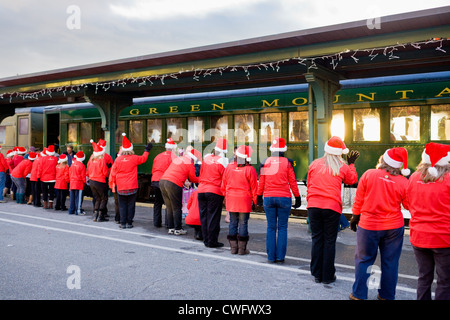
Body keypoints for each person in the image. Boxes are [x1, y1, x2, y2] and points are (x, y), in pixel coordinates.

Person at [349, 147, 410, 300]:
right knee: (390, 263)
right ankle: (386, 295)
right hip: (393, 227)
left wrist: (355, 216)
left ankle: (358, 294)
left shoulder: (369, 174)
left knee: (364, 260)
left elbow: (359, 200)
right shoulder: (403, 182)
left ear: (383, 160)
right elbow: (409, 205)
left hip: (368, 225)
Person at [306, 136, 359, 284]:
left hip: (314, 206)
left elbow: (310, 184)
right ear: (339, 152)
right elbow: (352, 180)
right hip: (331, 207)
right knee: (329, 241)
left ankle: (316, 274)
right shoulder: (341, 166)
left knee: (317, 239)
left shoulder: (315, 164)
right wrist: (352, 164)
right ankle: (328, 276)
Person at [406, 142, 450, 300]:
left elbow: (409, 203)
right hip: (443, 238)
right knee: (445, 281)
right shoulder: (448, 178)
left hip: (419, 236)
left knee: (424, 277)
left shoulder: (414, 177)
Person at [257, 137, 301, 263]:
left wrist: (259, 197)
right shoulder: (288, 163)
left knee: (271, 227)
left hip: (269, 198)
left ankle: (271, 257)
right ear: (283, 150)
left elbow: (262, 182)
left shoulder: (265, 162)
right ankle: (280, 257)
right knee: (282, 228)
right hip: (284, 198)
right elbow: (292, 182)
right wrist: (297, 198)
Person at [109, 133, 152, 229]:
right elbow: (143, 158)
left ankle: (123, 223)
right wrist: (147, 150)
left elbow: (113, 173)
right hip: (132, 186)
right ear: (131, 149)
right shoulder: (134, 158)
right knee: (131, 205)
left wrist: (113, 184)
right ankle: (129, 223)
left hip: (121, 187)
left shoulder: (118, 159)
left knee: (122, 205)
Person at [222, 145, 257, 255]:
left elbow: (223, 184)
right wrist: (255, 202)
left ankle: (233, 248)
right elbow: (254, 188)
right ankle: (242, 249)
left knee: (233, 222)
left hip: (231, 200)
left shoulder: (229, 167)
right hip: (244, 201)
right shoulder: (250, 169)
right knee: (243, 223)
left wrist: (225, 197)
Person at [160, 146, 200, 235]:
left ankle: (171, 228)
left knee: (169, 206)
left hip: (162, 181)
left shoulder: (179, 159)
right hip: (173, 183)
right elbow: (193, 178)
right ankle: (178, 228)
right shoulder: (190, 163)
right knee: (177, 207)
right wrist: (201, 179)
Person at [197, 138, 228, 248]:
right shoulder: (223, 161)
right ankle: (212, 241)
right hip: (214, 191)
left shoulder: (206, 158)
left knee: (204, 216)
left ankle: (206, 239)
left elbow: (200, 174)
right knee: (213, 217)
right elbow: (225, 179)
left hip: (201, 190)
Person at [151, 138, 177, 227]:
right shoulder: (174, 157)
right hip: (166, 181)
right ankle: (168, 223)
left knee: (157, 202)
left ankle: (156, 223)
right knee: (168, 203)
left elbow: (153, 169)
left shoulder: (158, 156)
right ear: (173, 148)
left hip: (155, 181)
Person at [87, 141, 109, 222]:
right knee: (104, 198)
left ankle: (95, 215)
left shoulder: (92, 159)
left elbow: (88, 170)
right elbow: (105, 172)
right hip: (100, 181)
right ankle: (100, 215)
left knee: (97, 198)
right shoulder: (101, 160)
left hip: (92, 181)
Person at [38, 145, 58, 209]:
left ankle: (45, 205)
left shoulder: (43, 159)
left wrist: (38, 176)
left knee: (44, 192)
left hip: (44, 178)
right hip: (53, 178)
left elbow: (40, 168)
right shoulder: (55, 159)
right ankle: (51, 205)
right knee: (51, 192)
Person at [69, 151, 86, 215]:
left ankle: (71, 210)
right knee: (78, 198)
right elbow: (83, 176)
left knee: (72, 197)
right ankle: (78, 210)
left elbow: (70, 173)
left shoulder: (72, 164)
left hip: (72, 182)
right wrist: (85, 182)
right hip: (79, 183)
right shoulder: (82, 165)